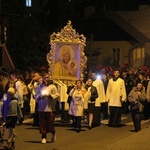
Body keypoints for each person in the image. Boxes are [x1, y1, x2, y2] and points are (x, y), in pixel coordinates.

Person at [34, 76, 59, 144]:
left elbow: (57, 95)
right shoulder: (39, 87)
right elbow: (35, 95)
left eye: (48, 78)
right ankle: (43, 136)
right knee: (42, 122)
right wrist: (39, 97)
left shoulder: (52, 86)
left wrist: (50, 96)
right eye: (45, 78)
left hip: (49, 107)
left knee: (50, 122)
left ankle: (53, 132)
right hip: (41, 107)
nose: (46, 79)